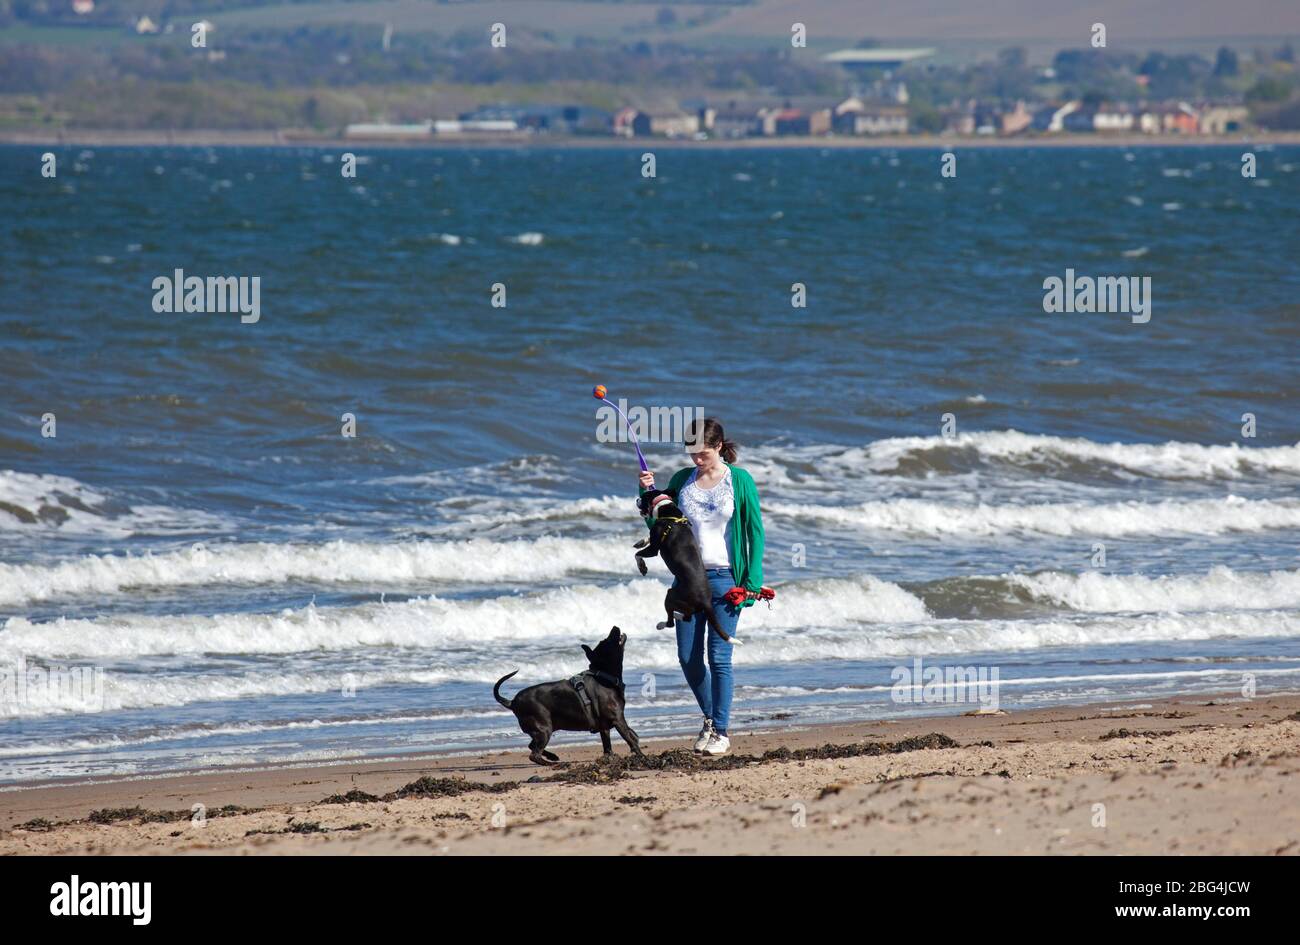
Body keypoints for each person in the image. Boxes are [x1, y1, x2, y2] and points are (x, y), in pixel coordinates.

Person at [638, 417, 765, 756]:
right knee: (687, 657)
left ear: (719, 448)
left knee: (719, 656)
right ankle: (710, 719)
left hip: (726, 579)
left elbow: (755, 531)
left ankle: (721, 731)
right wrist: (646, 491)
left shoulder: (740, 481)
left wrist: (752, 581)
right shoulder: (682, 481)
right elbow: (659, 522)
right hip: (687, 579)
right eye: (692, 453)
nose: (697, 460)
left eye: (703, 453)